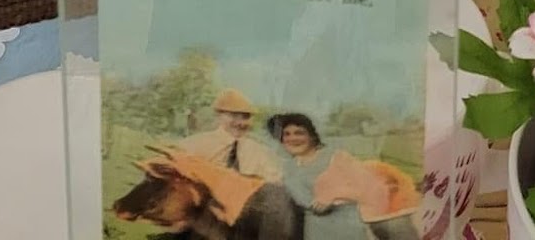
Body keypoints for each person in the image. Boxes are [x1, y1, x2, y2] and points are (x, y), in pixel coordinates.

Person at [267, 113, 421, 240]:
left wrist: (334, 195)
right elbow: (299, 200)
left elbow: (373, 188)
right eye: (287, 134)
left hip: (346, 228)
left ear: (312, 135)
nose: (292, 138)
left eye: (299, 133)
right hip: (315, 231)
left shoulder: (336, 157)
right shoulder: (287, 168)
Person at [177, 88, 282, 180]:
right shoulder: (193, 145)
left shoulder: (260, 153)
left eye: (245, 117)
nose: (240, 123)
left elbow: (273, 184)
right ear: (219, 115)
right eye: (234, 116)